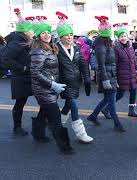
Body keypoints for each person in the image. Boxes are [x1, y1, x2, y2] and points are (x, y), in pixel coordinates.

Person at [30, 16, 74, 154]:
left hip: (49, 88)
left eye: (48, 32)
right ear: (38, 36)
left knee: (44, 112)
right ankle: (65, 146)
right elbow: (35, 72)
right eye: (43, 33)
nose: (47, 35)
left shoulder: (49, 48)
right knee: (56, 118)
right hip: (44, 89)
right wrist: (52, 84)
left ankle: (37, 134)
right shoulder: (38, 50)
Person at [55, 12, 93, 143]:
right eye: (67, 35)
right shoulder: (56, 50)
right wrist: (54, 83)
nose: (70, 37)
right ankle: (81, 133)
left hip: (75, 82)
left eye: (71, 35)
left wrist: (87, 80)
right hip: (63, 84)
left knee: (67, 106)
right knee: (74, 106)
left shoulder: (76, 47)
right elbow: (53, 68)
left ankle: (56, 124)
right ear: (61, 37)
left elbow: (83, 64)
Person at [87, 16, 126, 132]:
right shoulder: (101, 46)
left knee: (106, 99)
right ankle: (117, 123)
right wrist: (105, 80)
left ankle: (93, 116)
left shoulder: (108, 43)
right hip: (107, 77)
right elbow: (101, 65)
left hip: (111, 75)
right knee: (112, 101)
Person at [1, 8, 34, 136]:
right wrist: (22, 68)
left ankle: (43, 121)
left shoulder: (25, 40)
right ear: (25, 31)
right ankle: (17, 127)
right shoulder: (17, 42)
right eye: (30, 29)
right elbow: (5, 58)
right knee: (20, 103)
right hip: (21, 78)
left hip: (29, 76)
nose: (32, 31)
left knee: (44, 98)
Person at [102, 22, 137, 118]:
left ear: (127, 37)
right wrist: (115, 78)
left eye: (124, 36)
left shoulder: (130, 47)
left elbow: (134, 60)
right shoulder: (116, 49)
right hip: (122, 75)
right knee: (120, 94)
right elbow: (114, 64)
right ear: (118, 38)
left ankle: (131, 111)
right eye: (121, 36)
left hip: (131, 75)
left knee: (133, 91)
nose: (123, 38)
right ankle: (106, 109)